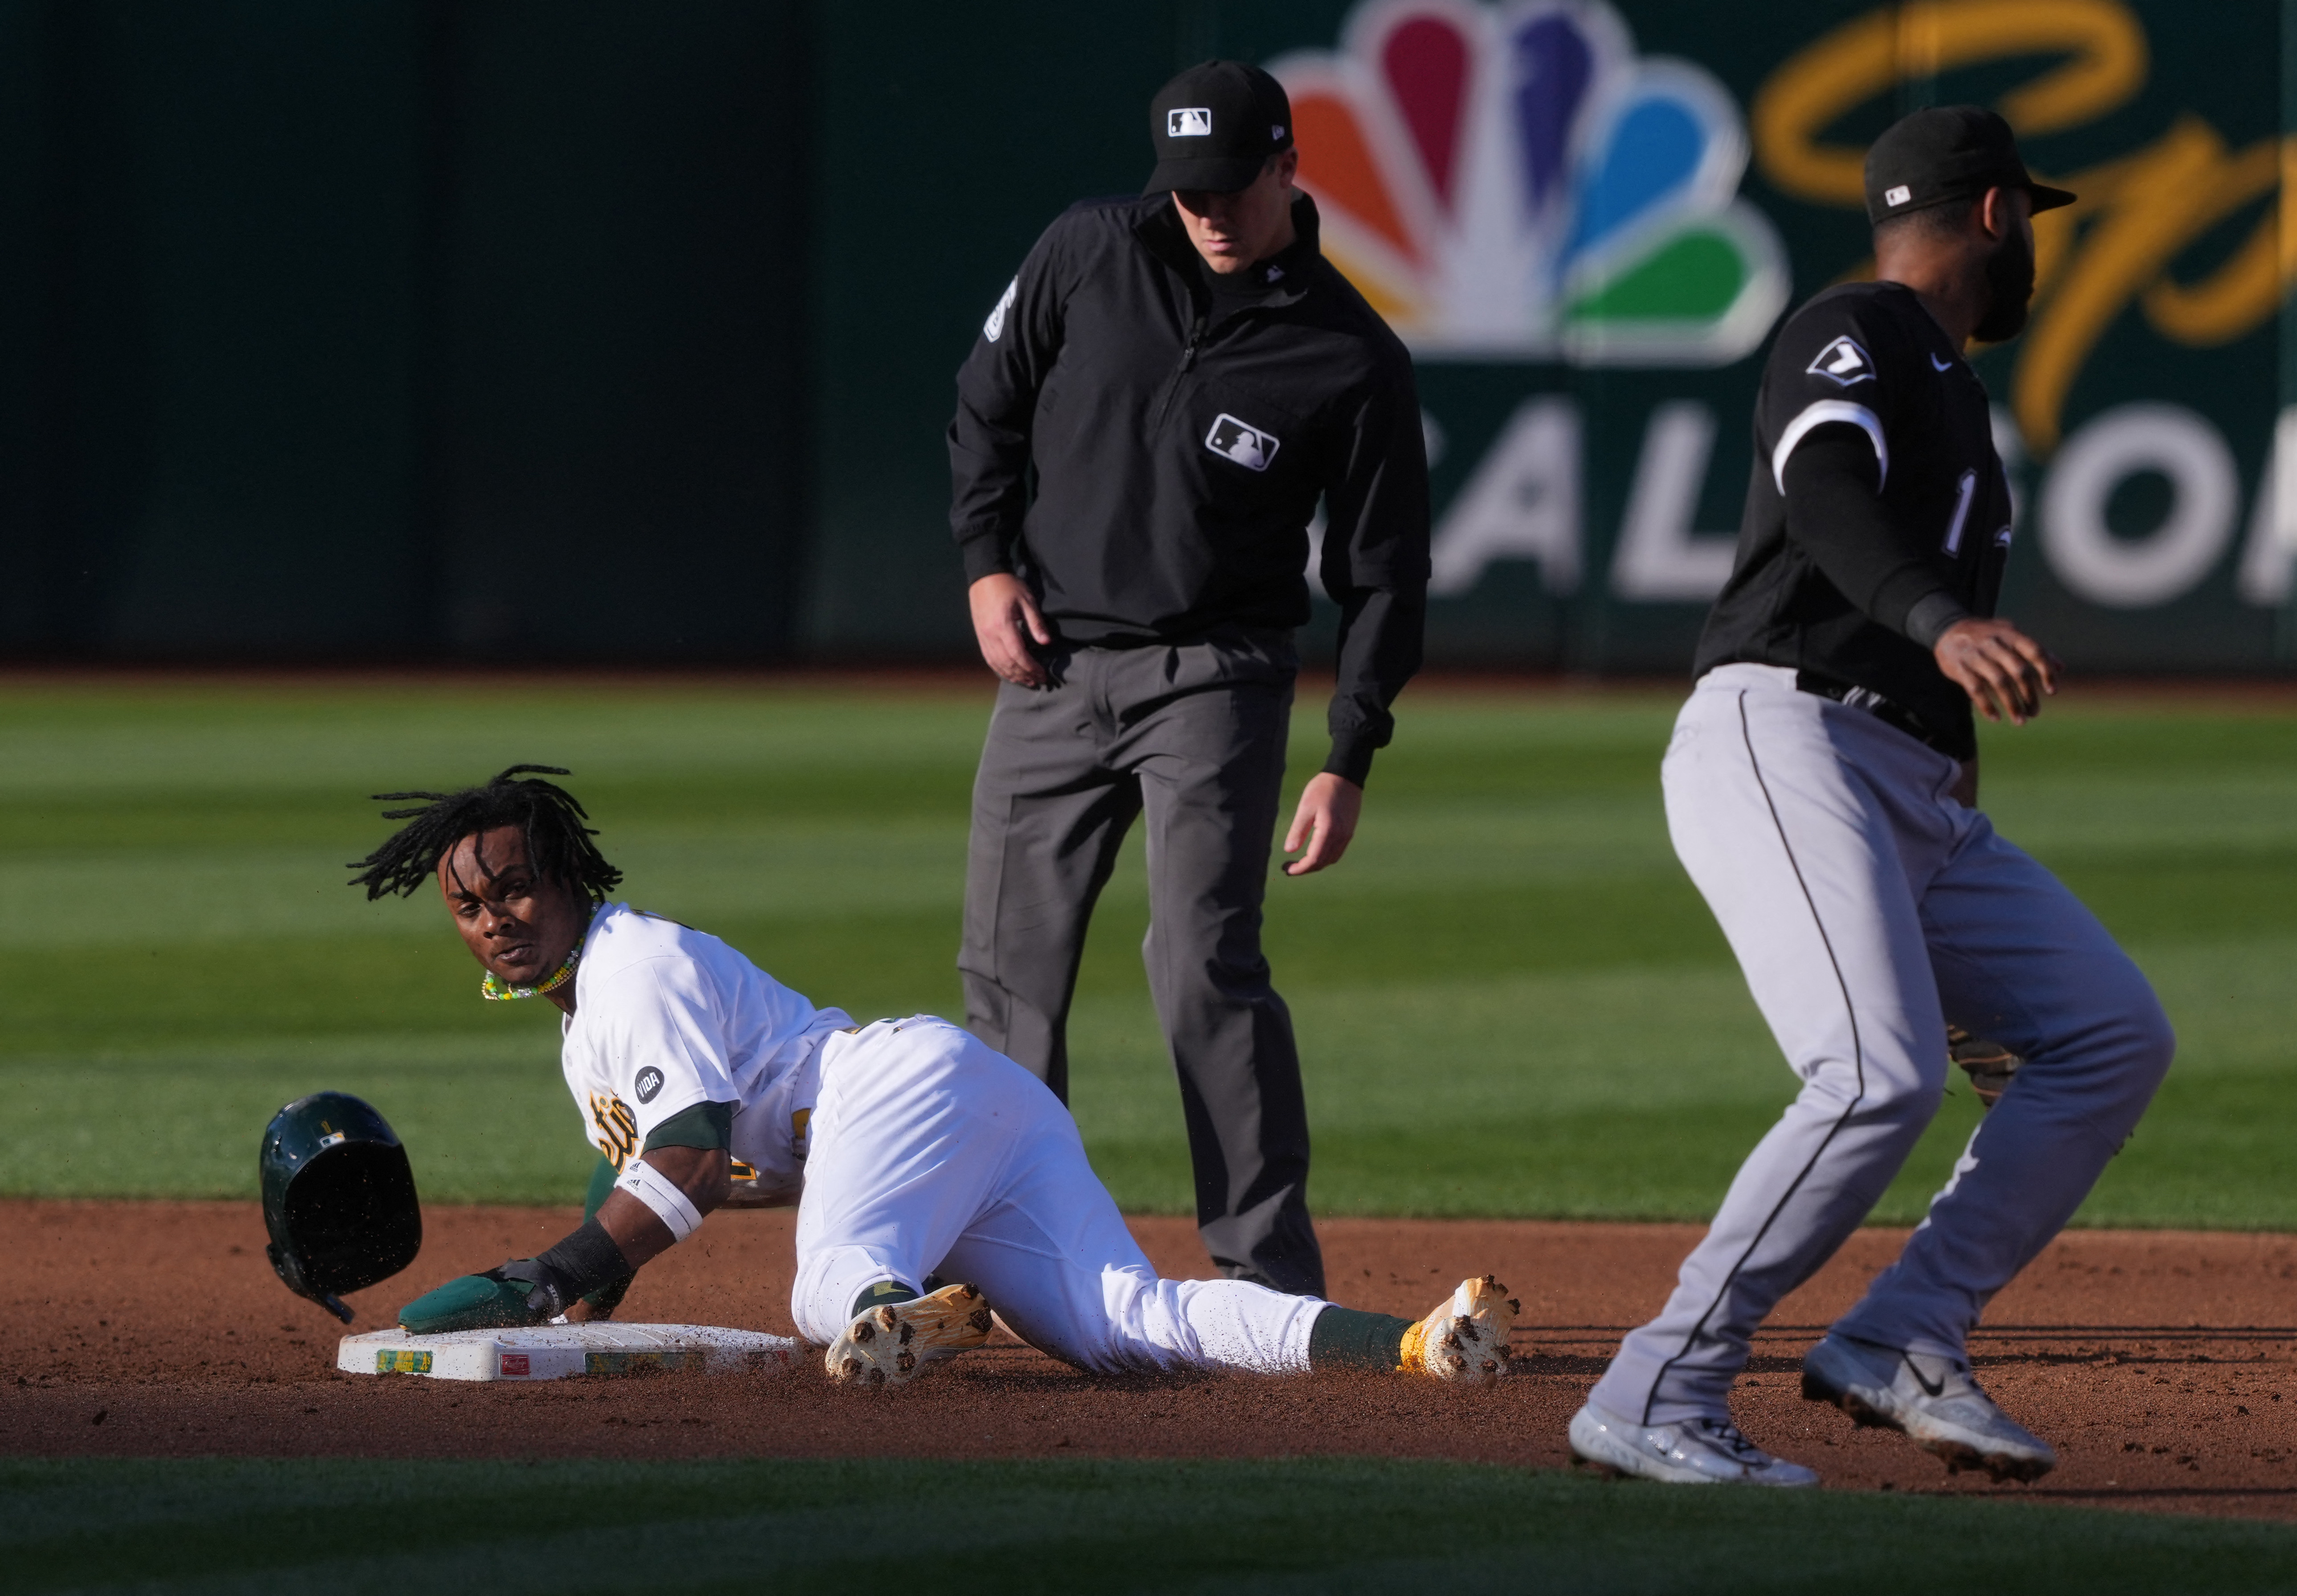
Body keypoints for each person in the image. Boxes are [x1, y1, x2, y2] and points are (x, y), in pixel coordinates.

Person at [1567, 108, 2175, 1486]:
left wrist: (1956, 736)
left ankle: (1901, 1336)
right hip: (1785, 740)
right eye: (2034, 221)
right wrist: (1939, 618)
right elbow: (1825, 486)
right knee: (1872, 1078)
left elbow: (1917, 618)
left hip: (1910, 783)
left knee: (2107, 1032)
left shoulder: (1952, 388)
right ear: (1997, 216)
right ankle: (1656, 1388)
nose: (2036, 250)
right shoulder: (1853, 328)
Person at [357, 766, 1513, 1387]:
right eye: (467, 904)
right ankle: (1409, 1345)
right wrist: (568, 1305)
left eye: (513, 887)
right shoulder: (589, 1015)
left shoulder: (631, 968)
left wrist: (534, 1279)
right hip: (966, 1104)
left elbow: (692, 1166)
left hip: (891, 1094)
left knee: (826, 1294)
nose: (495, 918)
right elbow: (685, 1173)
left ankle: (887, 1319)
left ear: (565, 877)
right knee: (1130, 1327)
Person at [947, 57, 1433, 1299]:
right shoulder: (1086, 251)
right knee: (1010, 977)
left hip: (1219, 677)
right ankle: (1017, 1261)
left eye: (1230, 184)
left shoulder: (1348, 352)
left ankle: (1264, 1276)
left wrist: (1350, 752)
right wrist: (986, 564)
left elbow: (1386, 574)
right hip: (1050, 667)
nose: (1206, 211)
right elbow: (985, 405)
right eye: (1185, 187)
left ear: (1287, 168)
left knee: (1204, 960)